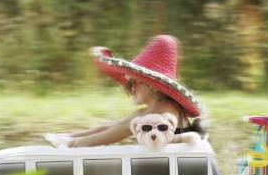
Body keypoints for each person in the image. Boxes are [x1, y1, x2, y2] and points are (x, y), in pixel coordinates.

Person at [47, 35, 205, 148]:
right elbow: (110, 128)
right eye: (129, 85)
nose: (130, 89)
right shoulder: (146, 111)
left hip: (182, 173)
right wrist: (67, 136)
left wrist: (75, 144)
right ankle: (70, 140)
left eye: (133, 83)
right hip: (164, 170)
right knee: (122, 122)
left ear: (153, 86)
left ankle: (73, 143)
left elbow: (121, 131)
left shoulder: (166, 108)